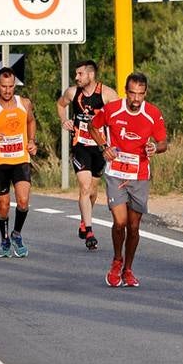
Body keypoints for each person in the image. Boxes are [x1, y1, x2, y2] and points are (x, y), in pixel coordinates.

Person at [89, 72, 168, 289]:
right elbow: (92, 126)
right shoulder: (112, 109)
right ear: (126, 91)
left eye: (140, 94)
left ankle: (128, 269)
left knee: (133, 227)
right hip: (116, 172)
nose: (136, 99)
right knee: (120, 222)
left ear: (145, 93)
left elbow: (163, 142)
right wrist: (104, 147)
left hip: (139, 175)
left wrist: (155, 148)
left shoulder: (153, 113)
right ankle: (117, 261)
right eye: (132, 93)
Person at [58, 60, 118, 251]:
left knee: (92, 190)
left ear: (91, 75)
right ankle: (90, 232)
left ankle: (85, 220)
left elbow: (118, 119)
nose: (76, 77)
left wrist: (114, 145)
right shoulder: (72, 93)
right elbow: (60, 104)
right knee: (84, 187)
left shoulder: (107, 94)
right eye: (76, 74)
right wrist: (64, 120)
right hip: (80, 145)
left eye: (80, 74)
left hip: (99, 147)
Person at [0, 67, 37, 258]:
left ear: (14, 85)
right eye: (4, 86)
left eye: (11, 86)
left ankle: (16, 234)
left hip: (21, 159)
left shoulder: (24, 103)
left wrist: (31, 141)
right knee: (3, 206)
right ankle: (4, 239)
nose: (8, 90)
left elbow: (31, 121)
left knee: (23, 201)